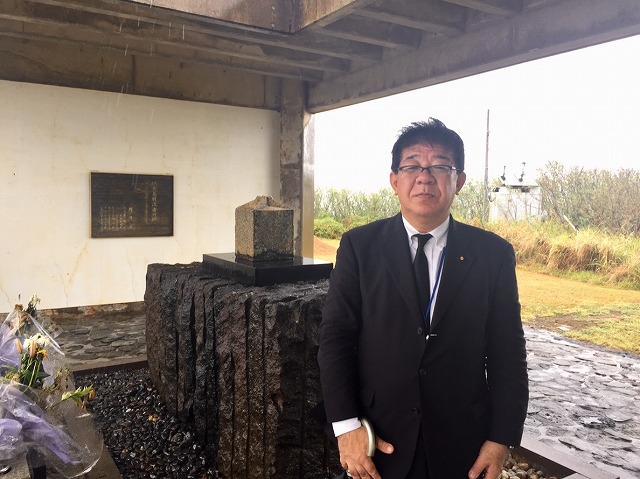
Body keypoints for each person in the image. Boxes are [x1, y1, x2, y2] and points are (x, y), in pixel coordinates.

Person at [317, 118, 529, 479]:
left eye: (440, 166)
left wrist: (500, 438)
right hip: (378, 439)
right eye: (412, 165)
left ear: (459, 181)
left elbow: (508, 352)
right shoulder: (359, 247)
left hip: (462, 443)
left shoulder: (493, 254)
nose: (425, 177)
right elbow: (336, 338)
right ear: (394, 180)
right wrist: (345, 426)